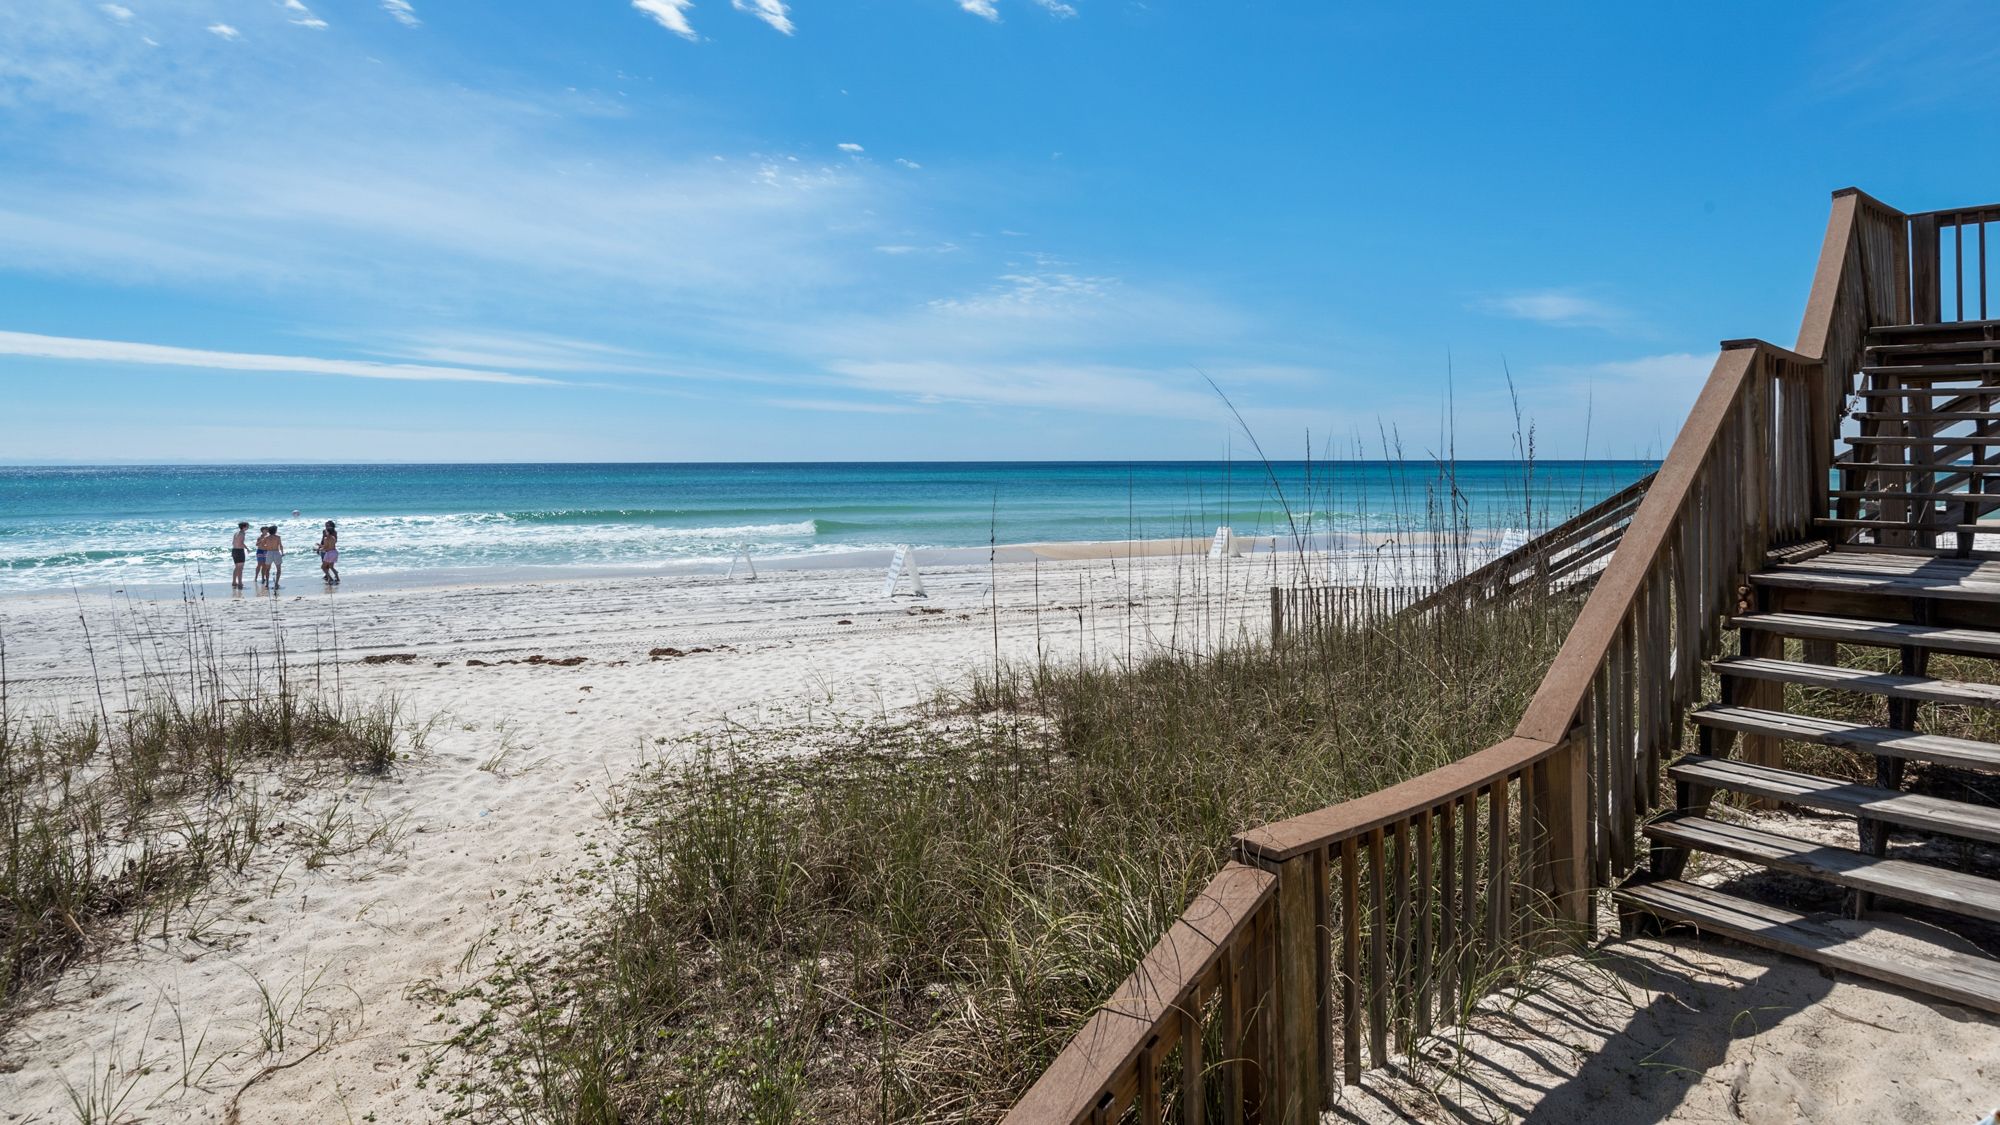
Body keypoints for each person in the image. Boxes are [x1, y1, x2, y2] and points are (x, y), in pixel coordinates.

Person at [317, 520, 340, 585]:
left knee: (324, 566)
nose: (326, 527)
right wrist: (320, 548)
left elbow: (325, 545)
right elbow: (324, 541)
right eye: (326, 525)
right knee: (329, 566)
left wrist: (320, 548)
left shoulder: (330, 535)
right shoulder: (331, 536)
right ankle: (333, 576)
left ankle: (329, 577)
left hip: (328, 551)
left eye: (327, 525)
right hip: (334, 552)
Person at [230, 521, 250, 589]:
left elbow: (233, 543)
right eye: (247, 526)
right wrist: (247, 548)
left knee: (237, 567)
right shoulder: (242, 533)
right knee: (240, 568)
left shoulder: (236, 533)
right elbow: (241, 543)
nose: (248, 527)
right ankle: (240, 583)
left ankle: (234, 582)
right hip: (239, 551)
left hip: (234, 550)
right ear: (244, 527)